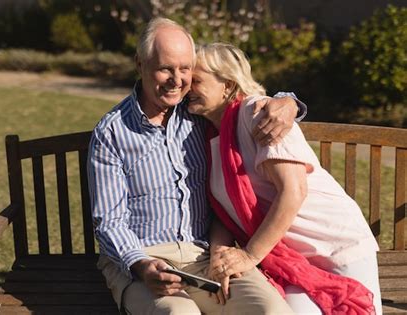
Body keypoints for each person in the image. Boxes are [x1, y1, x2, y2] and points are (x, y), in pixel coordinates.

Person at [88, 17, 306, 314]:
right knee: (180, 314)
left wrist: (288, 101)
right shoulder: (112, 132)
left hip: (205, 256)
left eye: (185, 69)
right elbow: (110, 222)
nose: (176, 80)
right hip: (142, 258)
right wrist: (141, 265)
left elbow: (245, 98)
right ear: (140, 64)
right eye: (165, 68)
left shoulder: (198, 114)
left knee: (273, 311)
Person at [186, 42, 382, 314]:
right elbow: (225, 211)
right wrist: (219, 255)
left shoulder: (259, 115)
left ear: (228, 85)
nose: (186, 86)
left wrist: (250, 255)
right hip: (291, 259)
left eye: (195, 80)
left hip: (333, 244)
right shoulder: (207, 135)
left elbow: (294, 191)